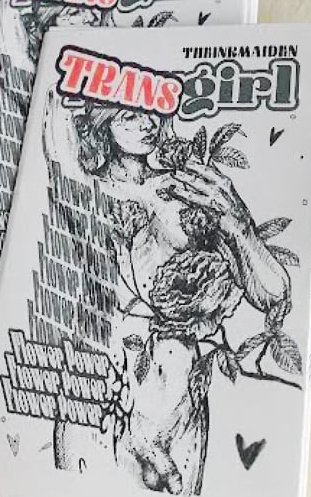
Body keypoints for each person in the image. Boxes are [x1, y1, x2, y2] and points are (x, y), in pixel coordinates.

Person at [40, 94, 292, 494]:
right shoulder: (85, 188)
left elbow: (274, 293)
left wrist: (237, 222)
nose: (146, 123)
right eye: (128, 115)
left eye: (152, 111)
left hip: (177, 397)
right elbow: (55, 129)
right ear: (101, 122)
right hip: (101, 390)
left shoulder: (188, 189)